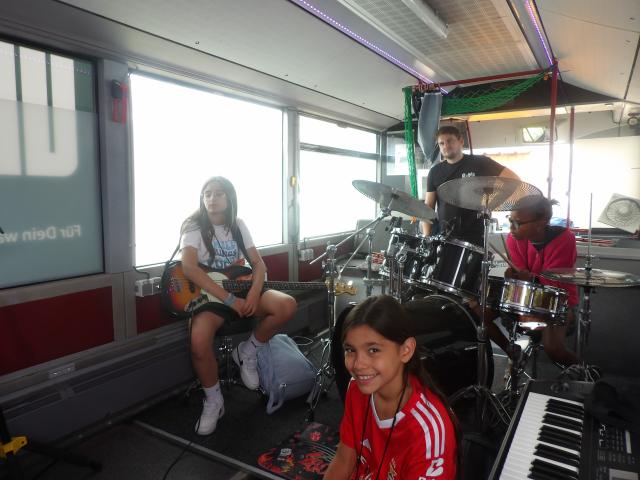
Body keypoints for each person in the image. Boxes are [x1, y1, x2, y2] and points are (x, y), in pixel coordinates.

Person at [180, 176, 297, 435]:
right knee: (198, 342)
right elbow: (189, 268)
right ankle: (214, 401)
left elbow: (259, 265)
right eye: (207, 193)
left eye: (218, 193)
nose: (212, 198)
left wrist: (254, 294)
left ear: (229, 197)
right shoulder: (193, 226)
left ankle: (248, 352)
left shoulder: (238, 225)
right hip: (212, 294)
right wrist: (230, 300)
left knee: (286, 305)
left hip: (241, 287)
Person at [324, 295, 458, 480]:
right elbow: (344, 459)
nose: (358, 365)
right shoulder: (356, 389)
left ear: (406, 350)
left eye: (373, 350)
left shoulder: (428, 432)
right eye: (350, 350)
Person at [484, 196, 580, 366]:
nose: (511, 228)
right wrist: (513, 277)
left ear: (541, 222)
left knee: (554, 350)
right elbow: (521, 273)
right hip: (524, 296)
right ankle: (512, 351)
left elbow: (556, 280)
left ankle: (585, 372)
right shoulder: (513, 239)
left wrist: (530, 279)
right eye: (510, 220)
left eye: (518, 223)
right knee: (479, 314)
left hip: (558, 300)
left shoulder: (565, 239)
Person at [422, 125, 519, 246]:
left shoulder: (481, 162)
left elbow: (514, 180)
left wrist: (494, 202)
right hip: (444, 237)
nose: (446, 146)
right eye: (441, 143)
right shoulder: (435, 172)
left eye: (450, 141)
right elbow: (428, 207)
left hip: (474, 236)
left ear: (461, 141)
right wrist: (426, 238)